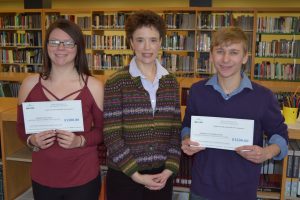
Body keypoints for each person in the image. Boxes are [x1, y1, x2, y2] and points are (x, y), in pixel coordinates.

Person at [181, 27, 288, 200]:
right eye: (220, 51)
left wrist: (267, 153)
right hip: (202, 188)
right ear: (211, 55)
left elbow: (280, 134)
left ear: (245, 57)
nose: (225, 59)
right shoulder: (197, 91)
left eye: (234, 52)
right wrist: (186, 139)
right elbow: (187, 125)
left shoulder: (263, 96)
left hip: (242, 190)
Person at [16, 18, 104, 200]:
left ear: (78, 47)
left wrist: (79, 141)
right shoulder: (29, 84)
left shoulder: (94, 86)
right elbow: (21, 128)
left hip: (83, 177)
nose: (60, 48)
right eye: (54, 42)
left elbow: (103, 131)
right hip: (43, 177)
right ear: (46, 46)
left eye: (68, 43)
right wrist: (32, 140)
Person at [103, 10, 181, 200]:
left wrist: (170, 169)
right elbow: (112, 134)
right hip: (125, 176)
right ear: (131, 42)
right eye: (140, 40)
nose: (147, 47)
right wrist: (137, 176)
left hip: (160, 177)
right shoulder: (117, 82)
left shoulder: (171, 82)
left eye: (153, 40)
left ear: (161, 42)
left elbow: (175, 130)